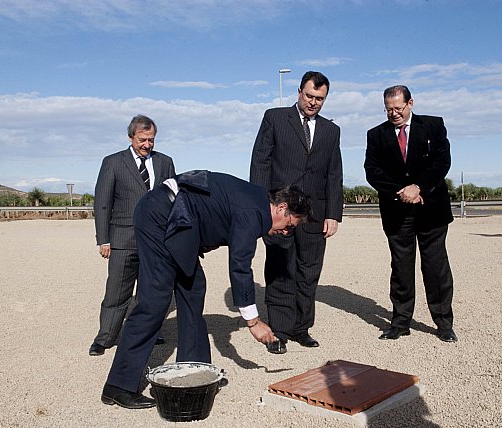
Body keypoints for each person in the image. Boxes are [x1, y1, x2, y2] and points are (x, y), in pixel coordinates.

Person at [101, 170, 312, 409]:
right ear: (281, 207)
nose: (285, 232)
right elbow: (240, 266)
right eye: (289, 225)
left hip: (181, 222)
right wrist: (253, 322)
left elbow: (212, 213)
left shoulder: (255, 202)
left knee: (193, 289)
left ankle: (195, 371)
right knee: (154, 302)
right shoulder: (254, 213)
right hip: (160, 217)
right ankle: (118, 387)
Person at [250, 71, 343, 354]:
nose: (314, 102)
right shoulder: (275, 118)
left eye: (320, 99)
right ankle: (279, 329)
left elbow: (333, 173)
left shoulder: (330, 130)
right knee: (280, 268)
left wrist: (333, 214)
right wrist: (261, 208)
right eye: (310, 96)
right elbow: (260, 163)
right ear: (299, 91)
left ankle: (302, 328)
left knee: (308, 270)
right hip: (280, 212)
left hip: (315, 215)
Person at [364, 85, 457, 343]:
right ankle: (400, 322)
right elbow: (372, 171)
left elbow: (442, 161)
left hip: (432, 209)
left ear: (411, 103)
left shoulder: (433, 126)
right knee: (401, 267)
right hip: (396, 211)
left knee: (436, 267)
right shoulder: (376, 135)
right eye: (388, 109)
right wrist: (401, 191)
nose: (393, 113)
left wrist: (419, 187)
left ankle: (443, 323)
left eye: (398, 108)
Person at [90, 115, 176, 356]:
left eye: (151, 140)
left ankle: (149, 332)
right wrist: (103, 239)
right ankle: (105, 338)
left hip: (156, 242)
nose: (147, 144)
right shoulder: (113, 162)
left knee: (151, 292)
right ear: (131, 137)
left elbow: (173, 199)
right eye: (142, 140)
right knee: (117, 292)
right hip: (122, 240)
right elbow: (103, 203)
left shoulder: (165, 162)